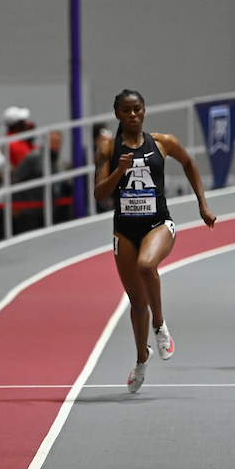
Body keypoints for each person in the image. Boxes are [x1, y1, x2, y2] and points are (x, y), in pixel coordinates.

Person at [95, 90, 217, 393]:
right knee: (137, 304)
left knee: (147, 266)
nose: (133, 115)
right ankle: (141, 358)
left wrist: (202, 203)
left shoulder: (163, 142)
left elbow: (189, 164)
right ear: (118, 115)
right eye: (126, 111)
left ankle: (160, 326)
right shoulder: (108, 149)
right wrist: (119, 171)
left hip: (158, 223)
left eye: (137, 109)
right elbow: (99, 194)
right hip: (124, 229)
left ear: (144, 111)